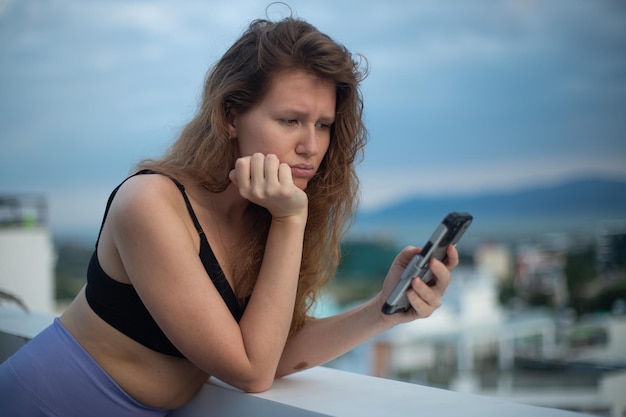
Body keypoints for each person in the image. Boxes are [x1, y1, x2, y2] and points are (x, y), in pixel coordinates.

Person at [0, 11, 458, 417]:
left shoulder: (262, 216)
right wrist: (289, 220)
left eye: (323, 124)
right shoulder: (152, 203)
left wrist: (383, 310)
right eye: (290, 120)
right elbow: (251, 370)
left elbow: (270, 347)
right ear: (232, 116)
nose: (312, 146)